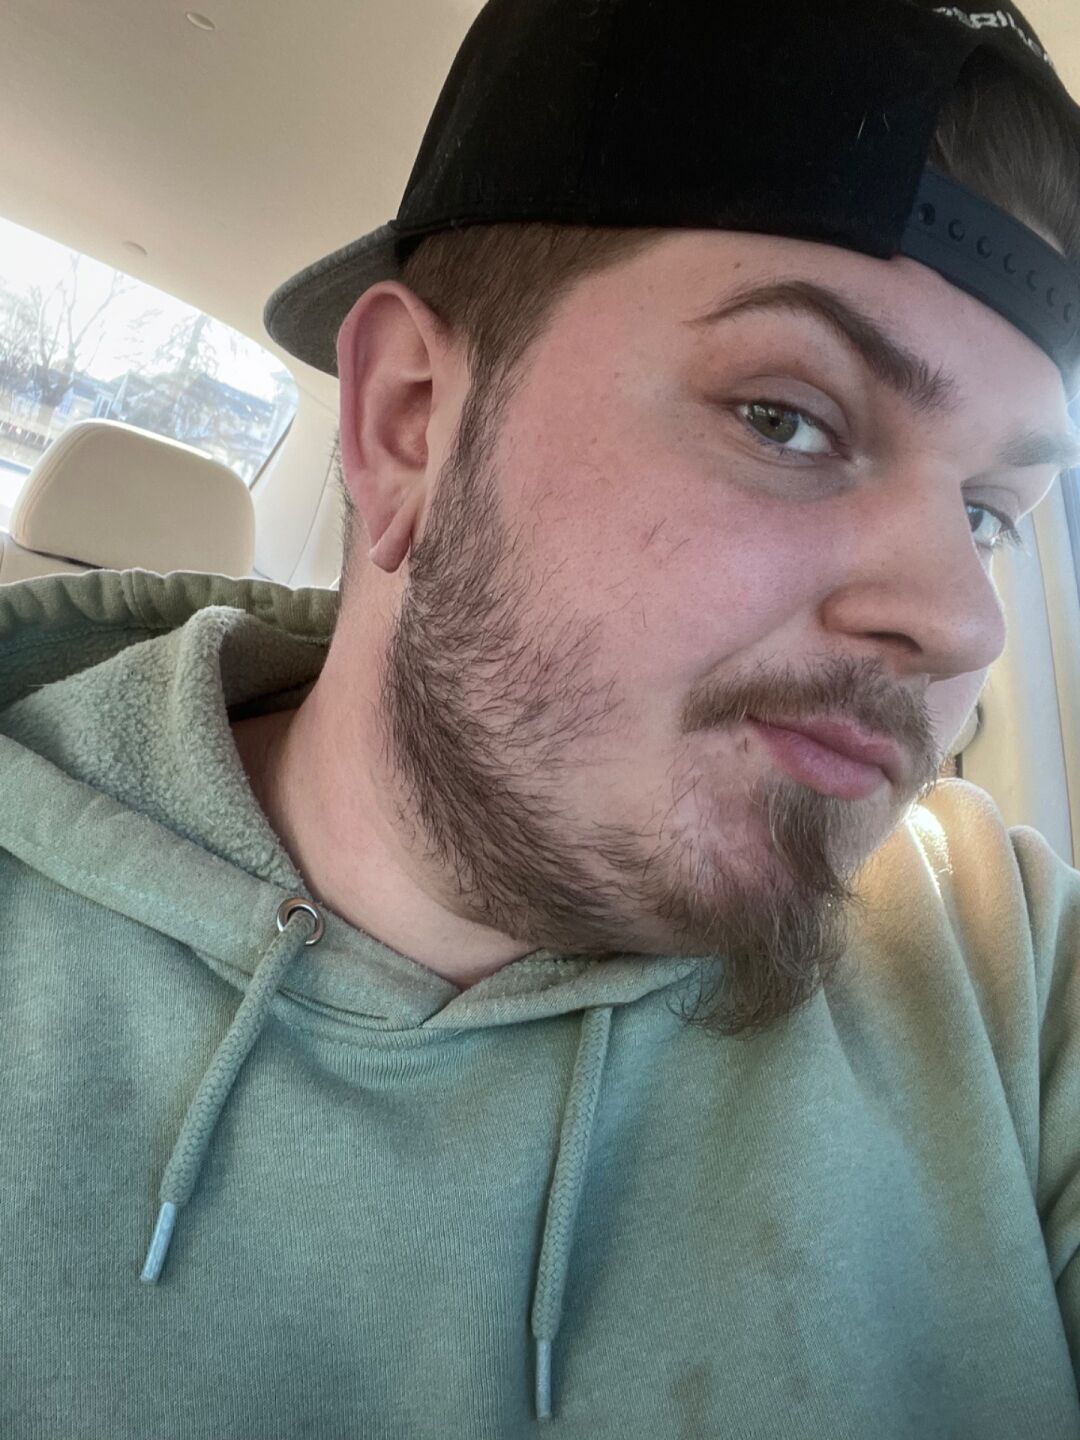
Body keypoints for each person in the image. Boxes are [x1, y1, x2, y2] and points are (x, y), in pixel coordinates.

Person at [4, 0, 1080, 1434]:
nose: (961, 622)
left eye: (989, 513)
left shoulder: (1010, 969)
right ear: (409, 423)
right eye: (786, 417)